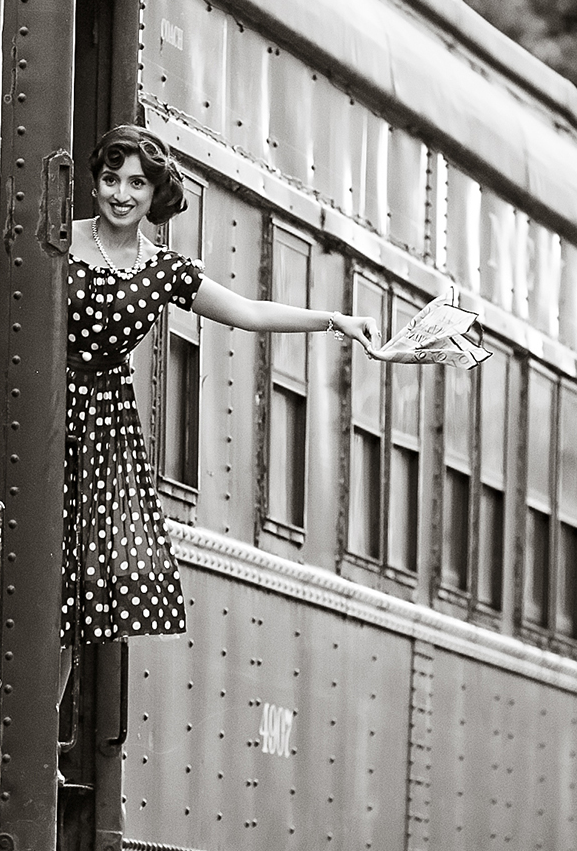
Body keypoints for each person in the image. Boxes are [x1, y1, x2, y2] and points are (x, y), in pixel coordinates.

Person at [62, 125, 384, 676]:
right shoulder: (58, 237)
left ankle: (38, 754)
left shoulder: (163, 270)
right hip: (44, 406)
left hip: (103, 431)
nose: (121, 193)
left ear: (155, 194)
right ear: (93, 184)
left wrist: (338, 321)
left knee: (80, 595)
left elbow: (250, 312)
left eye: (136, 183)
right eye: (111, 179)